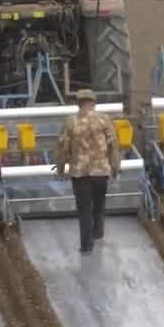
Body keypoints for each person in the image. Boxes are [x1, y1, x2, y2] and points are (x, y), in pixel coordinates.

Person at [54, 87, 120, 254]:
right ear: (94, 103)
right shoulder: (105, 119)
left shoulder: (71, 121)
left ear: (78, 103)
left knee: (84, 208)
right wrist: (115, 167)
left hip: (80, 172)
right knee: (99, 202)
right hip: (101, 172)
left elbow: (63, 147)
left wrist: (61, 168)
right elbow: (113, 145)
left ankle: (86, 246)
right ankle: (98, 233)